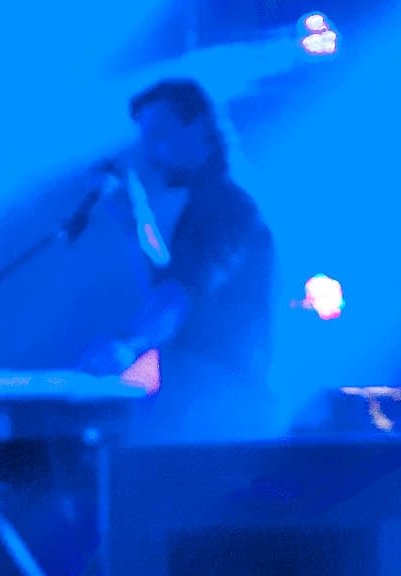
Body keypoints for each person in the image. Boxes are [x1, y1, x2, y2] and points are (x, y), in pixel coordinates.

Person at [76, 78, 275, 440]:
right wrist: (133, 214)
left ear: (199, 126)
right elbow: (168, 287)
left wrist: (127, 344)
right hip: (207, 399)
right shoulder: (209, 202)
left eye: (160, 137)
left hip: (224, 408)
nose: (151, 155)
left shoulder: (227, 206)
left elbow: (177, 297)